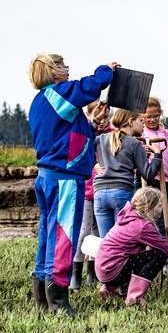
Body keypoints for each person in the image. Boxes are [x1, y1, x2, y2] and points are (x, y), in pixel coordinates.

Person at [28, 53, 115, 316]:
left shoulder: (42, 101)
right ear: (53, 71)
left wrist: (94, 123)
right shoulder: (58, 93)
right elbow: (87, 86)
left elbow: (70, 135)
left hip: (48, 177)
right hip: (64, 179)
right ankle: (59, 303)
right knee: (64, 238)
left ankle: (43, 299)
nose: (68, 69)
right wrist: (106, 70)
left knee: (48, 237)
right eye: (63, 65)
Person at [95, 187, 168, 307]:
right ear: (147, 210)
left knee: (131, 257)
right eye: (159, 205)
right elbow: (165, 249)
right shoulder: (143, 226)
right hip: (113, 272)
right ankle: (134, 297)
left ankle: (108, 289)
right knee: (160, 255)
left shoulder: (127, 216)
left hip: (103, 269)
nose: (162, 208)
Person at [93, 108, 161, 238]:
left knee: (106, 241)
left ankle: (104, 259)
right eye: (140, 121)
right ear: (131, 121)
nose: (143, 124)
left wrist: (93, 164)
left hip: (100, 193)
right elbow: (148, 175)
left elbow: (83, 147)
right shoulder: (135, 144)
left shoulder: (101, 138)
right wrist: (157, 154)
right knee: (121, 238)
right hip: (120, 192)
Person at [71, 101, 111, 289]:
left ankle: (92, 273)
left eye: (106, 116)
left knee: (98, 233)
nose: (103, 121)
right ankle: (75, 274)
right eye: (100, 116)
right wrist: (92, 164)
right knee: (84, 231)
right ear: (89, 114)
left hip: (104, 190)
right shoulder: (86, 132)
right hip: (88, 190)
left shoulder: (112, 135)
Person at [142, 97, 168, 253]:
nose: (153, 119)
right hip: (153, 181)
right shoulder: (141, 135)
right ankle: (159, 247)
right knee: (157, 217)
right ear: (142, 117)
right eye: (149, 117)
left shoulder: (167, 134)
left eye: (156, 116)